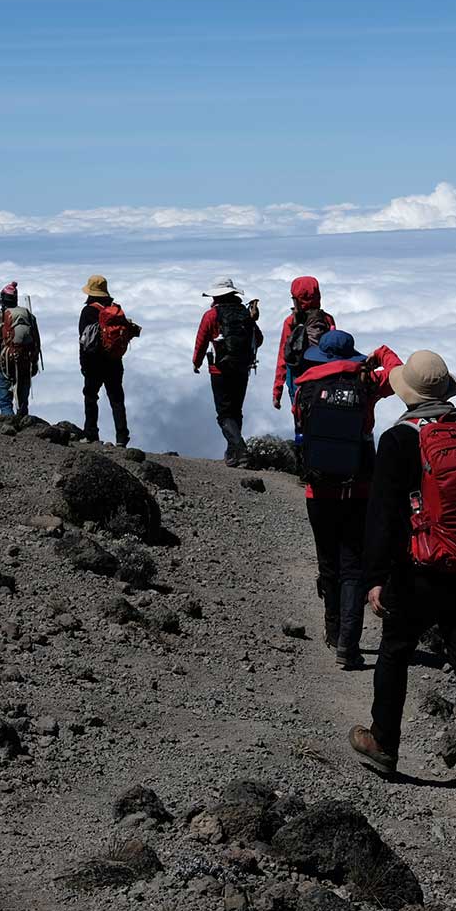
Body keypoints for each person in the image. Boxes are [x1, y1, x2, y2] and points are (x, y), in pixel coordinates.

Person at [349, 350, 456, 820]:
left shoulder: (399, 438)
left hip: (416, 570)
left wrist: (376, 578)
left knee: (395, 651)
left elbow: (383, 514)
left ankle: (383, 742)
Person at [293, 329, 402, 669]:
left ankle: (332, 629)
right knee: (353, 564)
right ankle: (348, 646)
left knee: (328, 561)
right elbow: (400, 374)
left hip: (318, 490)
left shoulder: (304, 388)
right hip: (359, 489)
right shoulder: (368, 384)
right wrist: (381, 353)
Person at [192, 276, 263, 466]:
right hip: (242, 367)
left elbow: (201, 340)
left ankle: (240, 449)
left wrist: (196, 362)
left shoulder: (211, 315)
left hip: (219, 369)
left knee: (224, 413)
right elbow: (259, 338)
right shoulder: (244, 313)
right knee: (236, 411)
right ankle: (233, 455)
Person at [78, 274, 140, 445]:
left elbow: (84, 340)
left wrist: (83, 364)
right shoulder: (115, 311)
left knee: (91, 396)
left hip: (93, 363)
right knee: (117, 399)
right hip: (114, 362)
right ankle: (122, 437)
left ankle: (90, 433)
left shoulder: (88, 311)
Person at [271, 275, 335, 411]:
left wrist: (277, 390)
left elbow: (283, 357)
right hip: (324, 377)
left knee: (301, 416)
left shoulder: (291, 322)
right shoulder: (327, 320)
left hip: (297, 379)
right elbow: (336, 351)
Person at [0, 281, 40, 417]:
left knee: (5, 400)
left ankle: (8, 422)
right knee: (23, 399)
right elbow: (37, 342)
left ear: (2, 299)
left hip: (4, 363)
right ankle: (24, 423)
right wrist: (34, 362)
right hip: (26, 360)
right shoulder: (29, 316)